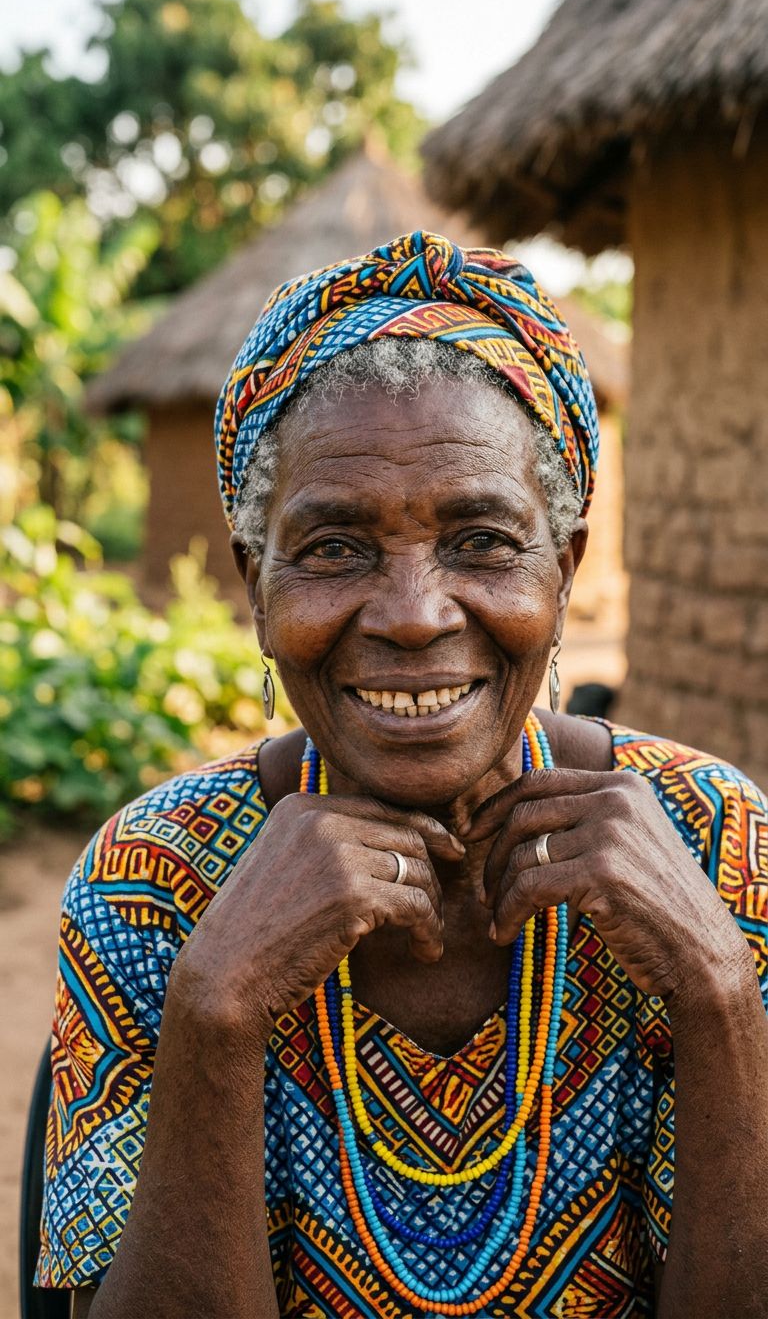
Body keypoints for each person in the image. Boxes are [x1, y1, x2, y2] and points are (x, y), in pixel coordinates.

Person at [36, 232, 768, 1318]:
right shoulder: (158, 882)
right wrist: (218, 1005)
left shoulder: (717, 847)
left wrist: (719, 996)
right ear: (256, 584)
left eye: (482, 540)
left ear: (563, 572)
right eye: (333, 547)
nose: (418, 613)